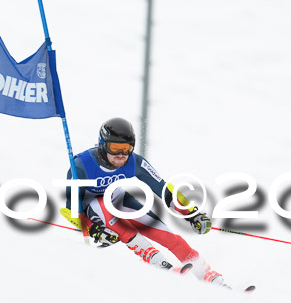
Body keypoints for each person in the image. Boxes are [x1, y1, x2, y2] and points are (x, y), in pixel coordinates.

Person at [65, 117, 229, 287]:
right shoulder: (80, 167)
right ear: (102, 144)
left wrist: (191, 213)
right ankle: (157, 261)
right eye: (114, 148)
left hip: (117, 198)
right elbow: (71, 211)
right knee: (103, 206)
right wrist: (94, 229)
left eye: (126, 149)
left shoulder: (135, 162)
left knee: (164, 233)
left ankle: (205, 273)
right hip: (91, 208)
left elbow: (163, 189)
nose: (121, 155)